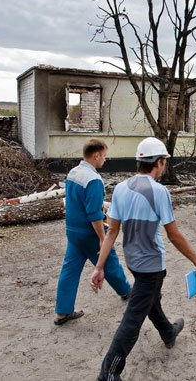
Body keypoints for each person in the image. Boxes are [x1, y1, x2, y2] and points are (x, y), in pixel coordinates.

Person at [90, 137, 196, 381]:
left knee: (149, 300)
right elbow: (173, 234)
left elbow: (111, 232)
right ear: (160, 163)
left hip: (133, 262)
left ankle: (168, 332)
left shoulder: (120, 189)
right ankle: (108, 373)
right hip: (152, 267)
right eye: (164, 161)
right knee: (133, 318)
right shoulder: (159, 192)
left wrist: (99, 266)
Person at [54, 138, 131, 326]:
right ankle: (127, 291)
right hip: (89, 232)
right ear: (96, 155)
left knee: (69, 269)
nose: (105, 159)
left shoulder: (73, 173)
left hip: (73, 231)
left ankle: (62, 312)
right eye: (104, 156)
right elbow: (94, 215)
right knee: (109, 261)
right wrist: (103, 238)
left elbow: (78, 202)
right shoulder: (94, 180)